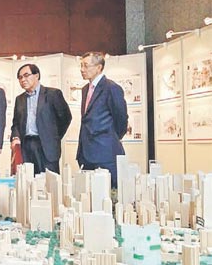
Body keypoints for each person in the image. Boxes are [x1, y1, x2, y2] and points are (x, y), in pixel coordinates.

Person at [76, 51, 128, 188]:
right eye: (81, 66)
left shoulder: (112, 88)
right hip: (86, 152)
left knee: (109, 195)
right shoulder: (85, 89)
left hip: (105, 153)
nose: (82, 70)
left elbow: (121, 119)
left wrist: (110, 137)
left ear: (99, 67)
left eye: (86, 66)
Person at [11, 63, 72, 174]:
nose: (23, 79)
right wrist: (15, 137)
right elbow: (16, 123)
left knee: (49, 184)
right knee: (27, 182)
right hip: (26, 146)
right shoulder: (19, 99)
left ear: (37, 75)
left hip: (47, 146)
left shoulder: (53, 94)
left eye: (26, 75)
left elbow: (66, 118)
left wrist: (54, 137)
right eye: (20, 77)